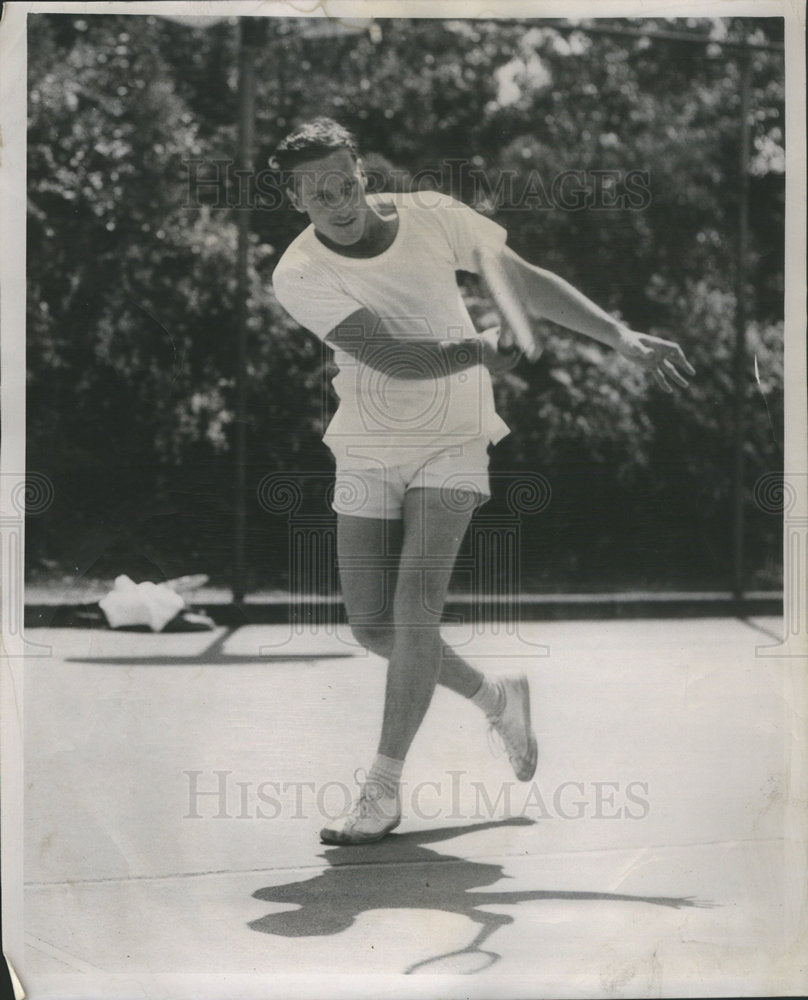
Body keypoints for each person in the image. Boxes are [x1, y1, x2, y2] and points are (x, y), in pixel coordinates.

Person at [270, 118, 694, 845]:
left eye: (345, 182)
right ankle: (498, 698)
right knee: (374, 625)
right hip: (368, 442)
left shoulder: (435, 216)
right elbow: (393, 357)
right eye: (317, 193)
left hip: (454, 437)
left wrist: (619, 336)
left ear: (362, 174)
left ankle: (381, 790)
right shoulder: (298, 271)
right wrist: (478, 347)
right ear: (295, 198)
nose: (336, 201)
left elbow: (523, 282)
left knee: (414, 607)